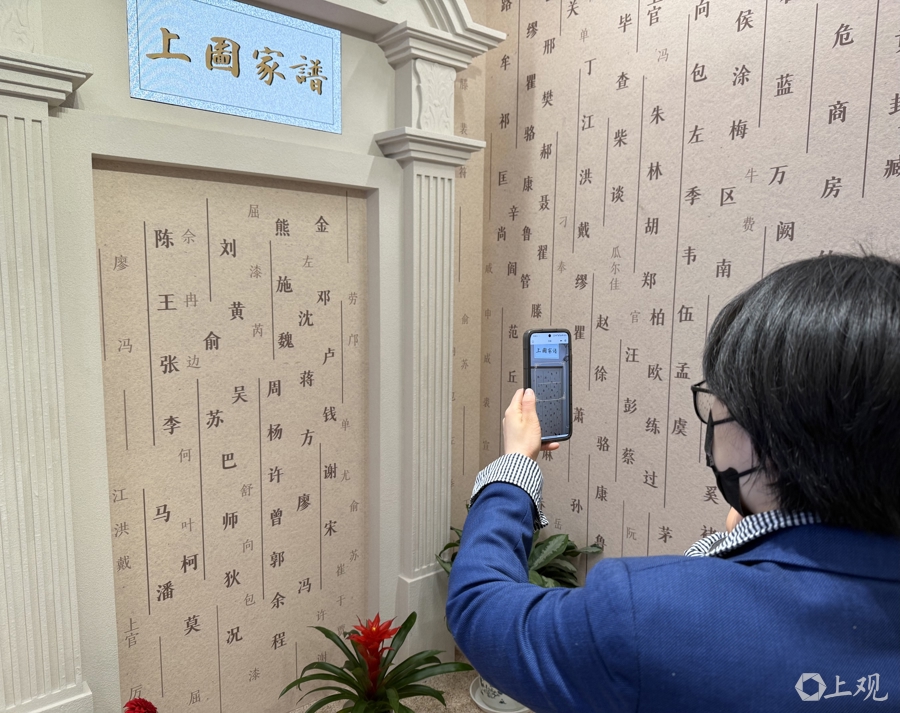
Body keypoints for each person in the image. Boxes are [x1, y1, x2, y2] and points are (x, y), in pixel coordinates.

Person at [446, 254, 900, 712]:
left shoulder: (652, 615)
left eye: (720, 398)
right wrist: (745, 541)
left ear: (768, 438)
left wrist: (515, 463)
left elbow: (481, 606)